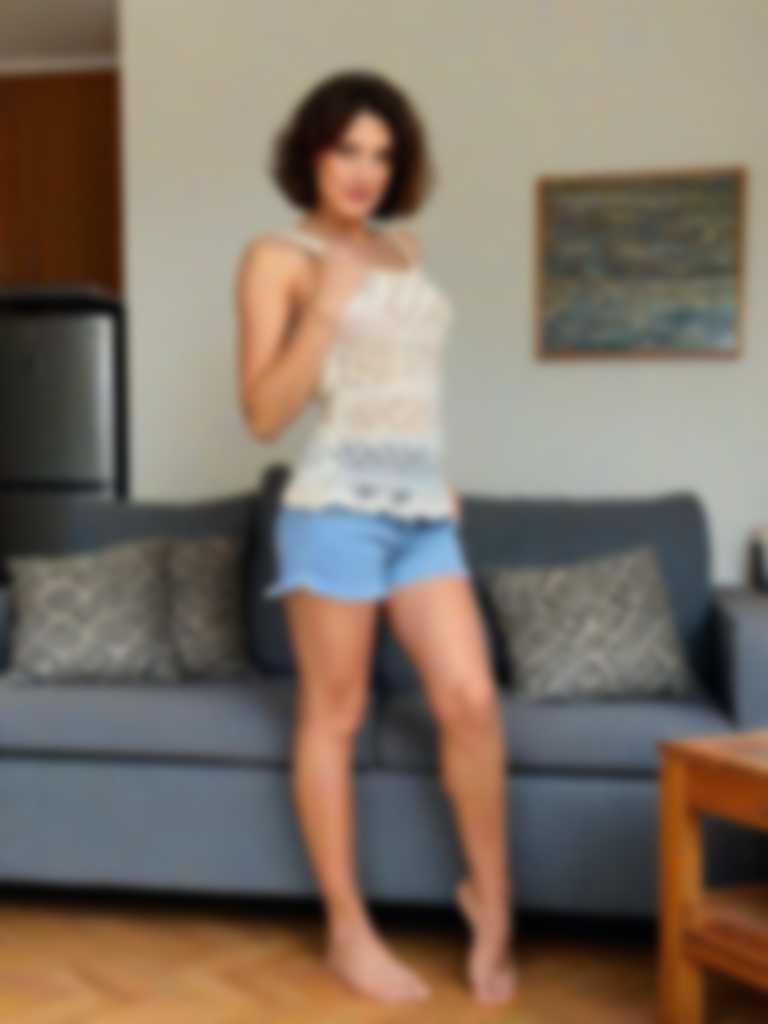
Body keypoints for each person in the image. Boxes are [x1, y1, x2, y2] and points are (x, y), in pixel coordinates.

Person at [236, 69, 517, 1005]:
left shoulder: (404, 248)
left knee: (470, 700)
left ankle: (491, 902)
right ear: (311, 155)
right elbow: (263, 414)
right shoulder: (276, 257)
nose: (364, 171)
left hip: (422, 514)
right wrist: (325, 305)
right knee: (336, 714)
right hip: (335, 510)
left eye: (382, 155)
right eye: (346, 150)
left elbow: (404, 384)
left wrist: (432, 472)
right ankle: (348, 931)